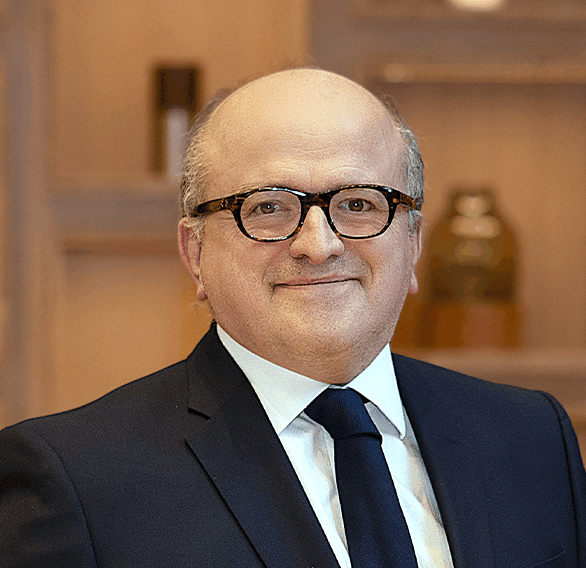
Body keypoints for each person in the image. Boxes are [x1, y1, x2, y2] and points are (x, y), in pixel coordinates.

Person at [1, 68, 585, 568]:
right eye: (268, 208)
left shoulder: (531, 438)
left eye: (358, 204)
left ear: (413, 244)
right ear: (195, 253)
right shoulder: (75, 481)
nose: (319, 245)